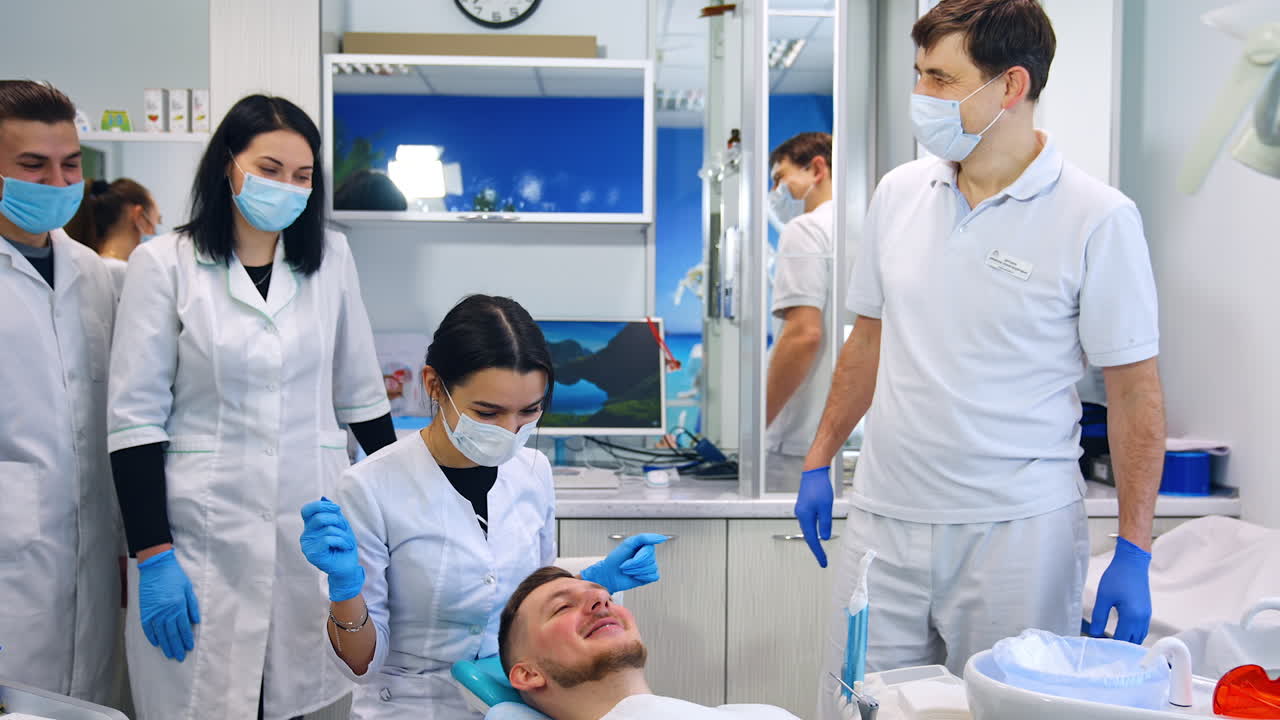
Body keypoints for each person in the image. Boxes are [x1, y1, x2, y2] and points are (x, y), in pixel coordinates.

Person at [793, 0, 1166, 712]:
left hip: (1018, 533)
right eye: (919, 74)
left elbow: (1134, 392)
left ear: (1011, 86)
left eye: (940, 78)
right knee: (855, 706)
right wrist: (820, 456)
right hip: (885, 518)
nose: (921, 95)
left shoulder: (1097, 216)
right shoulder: (899, 193)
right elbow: (868, 340)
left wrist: (1135, 546)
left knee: (1005, 710)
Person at [107, 94, 398, 720]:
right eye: (269, 169)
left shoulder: (331, 260)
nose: (287, 187)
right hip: (199, 538)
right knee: (203, 700)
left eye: (302, 175)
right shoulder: (163, 264)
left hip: (308, 530)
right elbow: (134, 423)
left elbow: (363, 399)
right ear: (228, 165)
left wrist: (406, 513)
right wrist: (153, 554)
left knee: (300, 696)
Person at [298, 294, 669, 720]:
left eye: (529, 411)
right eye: (488, 412)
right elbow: (361, 664)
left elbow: (526, 608)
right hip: (410, 707)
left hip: (515, 700)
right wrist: (346, 591)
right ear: (434, 385)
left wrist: (589, 583)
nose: (510, 431)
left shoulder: (533, 471)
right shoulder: (369, 487)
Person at [0, 79, 121, 707]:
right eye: (32, 165)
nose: (56, 182)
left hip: (94, 562)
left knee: (91, 702)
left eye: (70, 164)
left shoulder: (95, 276)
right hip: (11, 568)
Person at [498, 566, 801, 720]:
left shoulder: (754, 713)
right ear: (528, 674)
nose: (602, 600)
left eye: (607, 597)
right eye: (562, 607)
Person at [764, 132, 836, 492]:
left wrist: (757, 424)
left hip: (798, 443)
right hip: (849, 440)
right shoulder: (867, 228)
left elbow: (804, 335)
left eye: (781, 177)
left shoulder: (805, 230)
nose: (776, 191)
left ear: (817, 169)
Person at [64, 177, 160, 294]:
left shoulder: (87, 267)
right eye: (157, 221)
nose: (155, 232)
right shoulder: (124, 274)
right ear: (138, 216)